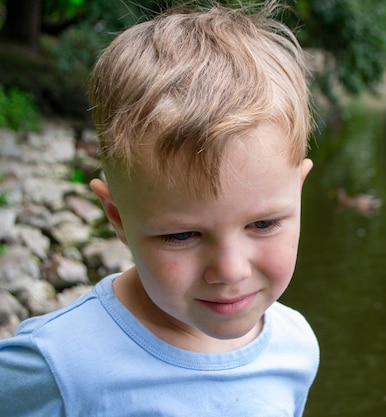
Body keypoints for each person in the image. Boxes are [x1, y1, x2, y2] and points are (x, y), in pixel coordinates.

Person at [0, 1, 319, 415]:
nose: (231, 270)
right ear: (117, 217)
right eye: (181, 235)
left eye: (262, 224)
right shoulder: (58, 365)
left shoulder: (295, 347)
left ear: (299, 191)